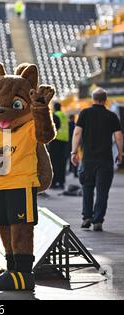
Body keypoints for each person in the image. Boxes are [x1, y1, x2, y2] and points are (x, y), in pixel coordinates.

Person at [71, 87, 123, 231]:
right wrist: (120, 153)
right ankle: (98, 220)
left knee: (87, 188)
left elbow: (77, 134)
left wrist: (74, 152)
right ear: (105, 100)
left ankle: (87, 217)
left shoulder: (85, 113)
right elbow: (118, 136)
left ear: (93, 99)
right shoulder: (112, 116)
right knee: (102, 191)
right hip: (105, 160)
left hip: (88, 160)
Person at [49, 102, 69, 189]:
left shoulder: (55, 115)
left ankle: (54, 182)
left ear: (54, 108)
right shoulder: (64, 116)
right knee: (62, 163)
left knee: (54, 162)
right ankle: (61, 182)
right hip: (65, 141)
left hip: (56, 140)